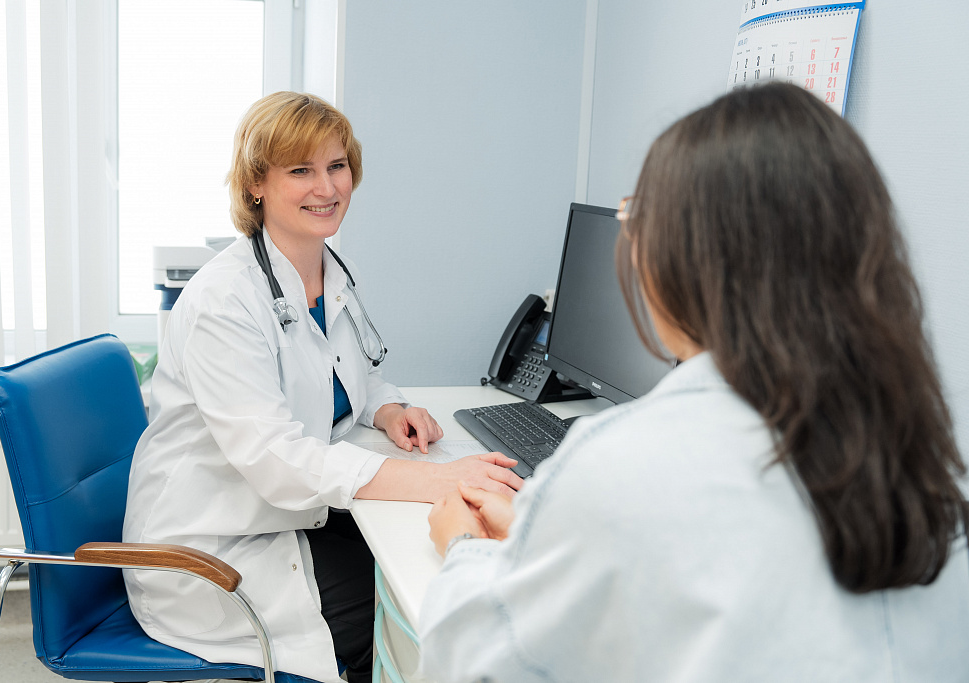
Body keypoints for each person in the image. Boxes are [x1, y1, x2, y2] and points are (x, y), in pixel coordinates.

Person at [420, 82, 969, 682]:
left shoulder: (625, 461)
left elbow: (478, 665)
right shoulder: (928, 468)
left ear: (682, 257)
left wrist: (466, 550)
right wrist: (550, 537)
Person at [122, 92, 521, 683]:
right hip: (212, 549)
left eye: (337, 166)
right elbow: (277, 459)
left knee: (420, 555)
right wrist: (437, 478)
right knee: (408, 606)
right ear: (256, 184)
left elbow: (348, 370)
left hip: (282, 517)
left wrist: (388, 408)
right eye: (301, 170)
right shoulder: (224, 301)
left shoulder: (327, 272)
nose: (327, 187)